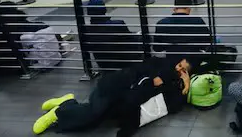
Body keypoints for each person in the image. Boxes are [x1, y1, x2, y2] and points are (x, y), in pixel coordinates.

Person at [32, 57, 192, 136]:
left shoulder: (171, 83)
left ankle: (68, 101)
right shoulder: (159, 66)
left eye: (183, 70)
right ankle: (59, 112)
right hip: (114, 86)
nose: (178, 70)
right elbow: (137, 91)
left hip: (120, 96)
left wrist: (186, 85)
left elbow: (175, 105)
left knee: (94, 120)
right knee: (93, 114)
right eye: (179, 65)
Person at [153, 0, 211, 65]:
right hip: (193, 62)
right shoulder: (198, 21)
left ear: (175, 8)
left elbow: (157, 48)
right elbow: (207, 43)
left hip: (171, 62)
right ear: (189, 8)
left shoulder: (161, 23)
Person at [85, 0, 141, 69]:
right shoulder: (118, 24)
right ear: (104, 10)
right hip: (122, 62)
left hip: (103, 64)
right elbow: (131, 41)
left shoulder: (87, 30)